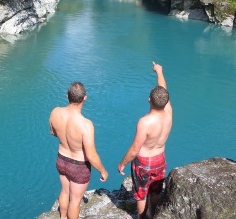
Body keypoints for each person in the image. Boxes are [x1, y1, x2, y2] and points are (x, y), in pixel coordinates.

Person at [117, 62, 173, 219]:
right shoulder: (168, 113)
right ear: (166, 101)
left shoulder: (145, 122)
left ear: (149, 100)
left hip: (143, 162)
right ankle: (153, 213)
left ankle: (142, 217)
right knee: (155, 190)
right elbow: (164, 90)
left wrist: (122, 163)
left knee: (141, 193)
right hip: (160, 158)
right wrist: (159, 72)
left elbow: (135, 149)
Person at [49, 81, 108, 219]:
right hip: (79, 166)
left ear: (67, 96)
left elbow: (53, 132)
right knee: (75, 202)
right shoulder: (86, 125)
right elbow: (91, 155)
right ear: (84, 98)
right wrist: (103, 171)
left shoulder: (55, 112)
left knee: (64, 191)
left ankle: (62, 217)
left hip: (61, 159)